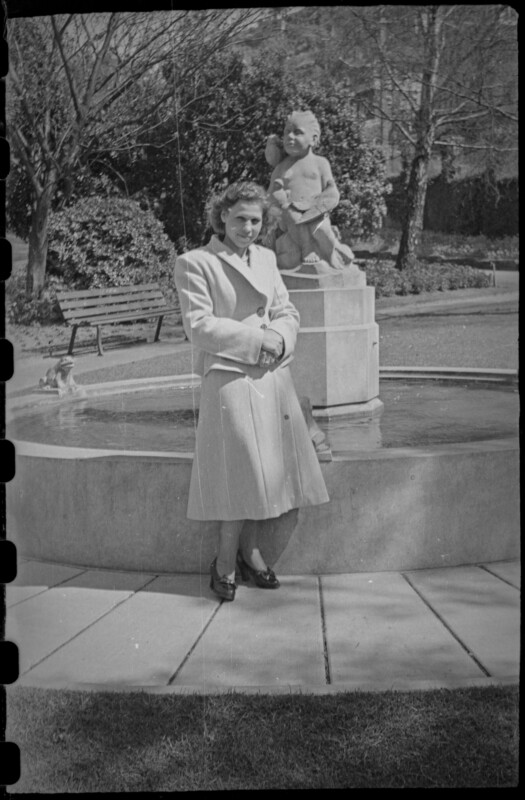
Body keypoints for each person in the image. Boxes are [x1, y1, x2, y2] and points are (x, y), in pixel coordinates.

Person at [174, 182, 329, 602]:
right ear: (222, 215)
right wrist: (258, 341)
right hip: (229, 376)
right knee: (240, 469)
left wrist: (279, 338)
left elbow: (285, 310)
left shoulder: (265, 258)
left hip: (271, 375)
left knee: (267, 470)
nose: (248, 227)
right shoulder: (195, 262)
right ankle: (225, 559)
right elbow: (199, 326)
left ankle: (251, 552)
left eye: (256, 220)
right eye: (240, 218)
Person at [265, 109, 356, 273]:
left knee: (321, 229)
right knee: (291, 214)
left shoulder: (321, 163)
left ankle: (334, 252)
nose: (290, 137)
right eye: (287, 132)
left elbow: (330, 189)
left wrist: (329, 196)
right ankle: (307, 248)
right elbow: (270, 195)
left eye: (297, 132)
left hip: (315, 211)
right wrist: (277, 197)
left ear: (313, 139)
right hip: (289, 213)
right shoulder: (282, 167)